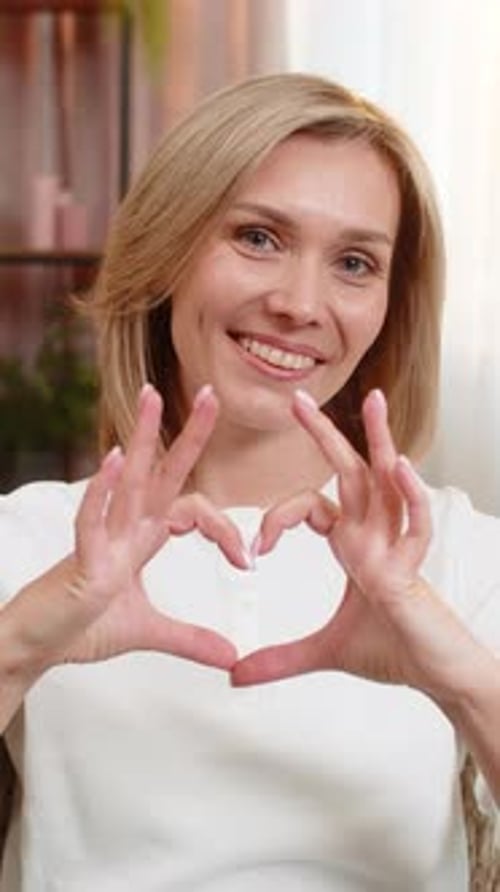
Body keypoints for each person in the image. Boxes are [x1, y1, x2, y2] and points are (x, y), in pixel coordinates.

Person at [0, 72, 498, 891]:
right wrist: (23, 642)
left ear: (388, 306)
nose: (300, 304)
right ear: (168, 252)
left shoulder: (464, 555)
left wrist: (468, 683)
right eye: (258, 237)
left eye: (354, 262)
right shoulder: (33, 539)